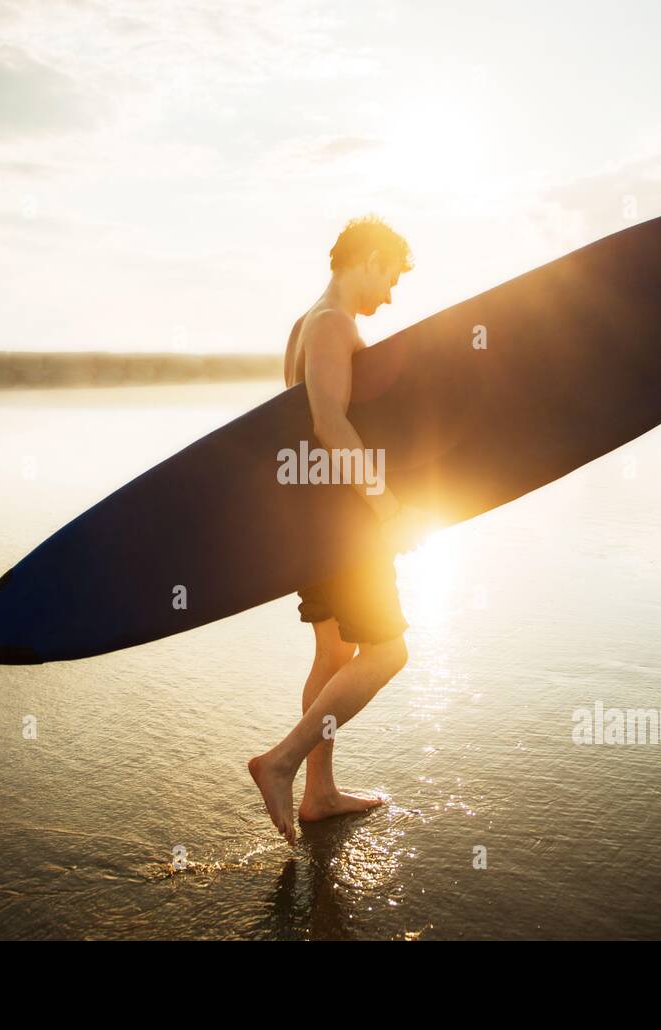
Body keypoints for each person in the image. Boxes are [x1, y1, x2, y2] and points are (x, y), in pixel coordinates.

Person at [248, 215, 427, 844]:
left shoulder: (305, 323)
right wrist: (387, 508)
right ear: (370, 258)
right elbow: (329, 425)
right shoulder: (330, 325)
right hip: (341, 522)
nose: (390, 294)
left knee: (333, 653)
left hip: (313, 516)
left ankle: (319, 794)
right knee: (389, 650)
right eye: (392, 277)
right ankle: (280, 763)